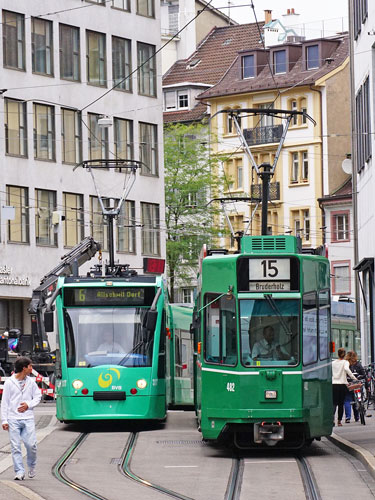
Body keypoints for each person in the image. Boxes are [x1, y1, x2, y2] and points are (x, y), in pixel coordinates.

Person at [1, 356, 41, 480]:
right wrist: (4, 420)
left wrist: (28, 405)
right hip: (13, 418)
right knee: (15, 446)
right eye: (30, 366)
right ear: (24, 368)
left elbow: (37, 396)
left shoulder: (31, 382)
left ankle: (32, 465)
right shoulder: (9, 382)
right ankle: (19, 471)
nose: (32, 368)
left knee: (31, 445)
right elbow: (5, 402)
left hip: (27, 418)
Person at [332, 347, 357, 427]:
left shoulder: (333, 362)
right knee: (340, 404)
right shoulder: (345, 362)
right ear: (344, 354)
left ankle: (332, 419)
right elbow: (346, 369)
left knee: (334, 404)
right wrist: (354, 378)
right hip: (342, 384)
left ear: (338, 354)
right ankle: (339, 421)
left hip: (334, 384)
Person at [344, 350, 365, 423]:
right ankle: (357, 417)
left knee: (347, 400)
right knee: (357, 399)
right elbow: (363, 374)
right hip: (357, 384)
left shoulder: (345, 363)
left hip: (348, 384)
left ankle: (348, 417)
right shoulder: (358, 364)